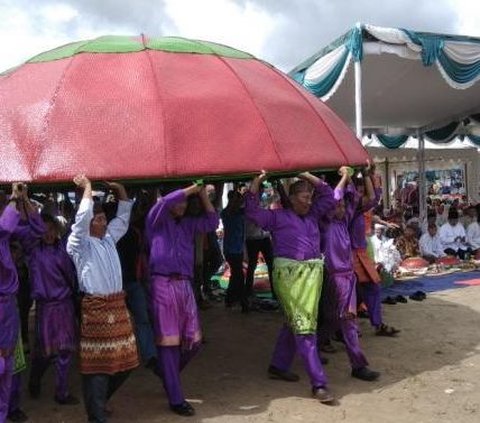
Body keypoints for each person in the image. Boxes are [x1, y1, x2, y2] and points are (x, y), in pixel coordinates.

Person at [245, 170, 336, 404]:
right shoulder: (278, 217)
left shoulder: (314, 214)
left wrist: (305, 174)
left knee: (293, 323)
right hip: (288, 279)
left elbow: (329, 195)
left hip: (312, 278)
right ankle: (319, 384)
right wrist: (258, 181)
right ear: (293, 198)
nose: (308, 201)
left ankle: (278, 365)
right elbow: (253, 211)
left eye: (309, 197)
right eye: (304, 197)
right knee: (305, 329)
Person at [67, 175, 139, 423]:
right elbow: (82, 219)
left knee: (127, 364)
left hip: (117, 307)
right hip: (95, 309)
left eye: (103, 218)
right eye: (98, 219)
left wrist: (121, 190)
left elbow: (123, 220)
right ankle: (96, 416)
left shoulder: (108, 238)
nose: (104, 222)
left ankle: (98, 404)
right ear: (89, 224)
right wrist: (87, 188)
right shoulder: (78, 244)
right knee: (97, 368)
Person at [146, 182, 219, 417]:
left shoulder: (188, 224)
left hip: (185, 285)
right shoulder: (156, 220)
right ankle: (176, 398)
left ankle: (168, 375)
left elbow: (212, 222)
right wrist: (192, 188)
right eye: (179, 199)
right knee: (168, 343)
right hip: (162, 284)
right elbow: (166, 202)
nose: (182, 204)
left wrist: (202, 194)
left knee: (194, 341)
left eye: (185, 201)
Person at [321, 168, 380, 381]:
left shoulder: (343, 219)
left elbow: (370, 199)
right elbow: (333, 199)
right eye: (338, 204)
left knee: (345, 322)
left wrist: (364, 174)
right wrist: (345, 177)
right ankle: (301, 357)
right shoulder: (324, 219)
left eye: (344, 204)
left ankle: (357, 365)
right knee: (326, 321)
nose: (342, 206)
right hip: (332, 278)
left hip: (346, 278)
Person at [16, 209, 79, 405]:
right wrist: (25, 203)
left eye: (52, 229)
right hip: (46, 308)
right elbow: (25, 233)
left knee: (65, 351)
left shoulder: (64, 249)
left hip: (65, 306)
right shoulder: (33, 251)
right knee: (45, 351)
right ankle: (35, 378)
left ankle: (62, 392)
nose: (49, 234)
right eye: (44, 230)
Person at [350, 166, 400, 337]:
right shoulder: (347, 209)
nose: (362, 195)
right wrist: (365, 174)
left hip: (361, 253)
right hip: (346, 255)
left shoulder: (359, 209)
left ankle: (376, 324)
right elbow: (373, 197)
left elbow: (374, 197)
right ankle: (345, 328)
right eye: (359, 191)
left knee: (372, 287)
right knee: (351, 292)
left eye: (363, 191)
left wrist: (369, 175)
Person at [0, 184, 22, 422]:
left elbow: (35, 229)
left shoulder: (5, 239)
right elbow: (5, 225)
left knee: (7, 363)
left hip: (8, 306)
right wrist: (14, 199)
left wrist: (21, 202)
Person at [221, 190, 248, 312]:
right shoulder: (226, 213)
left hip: (238, 248)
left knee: (235, 274)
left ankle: (231, 298)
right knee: (239, 275)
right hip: (230, 249)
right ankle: (243, 302)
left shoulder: (241, 213)